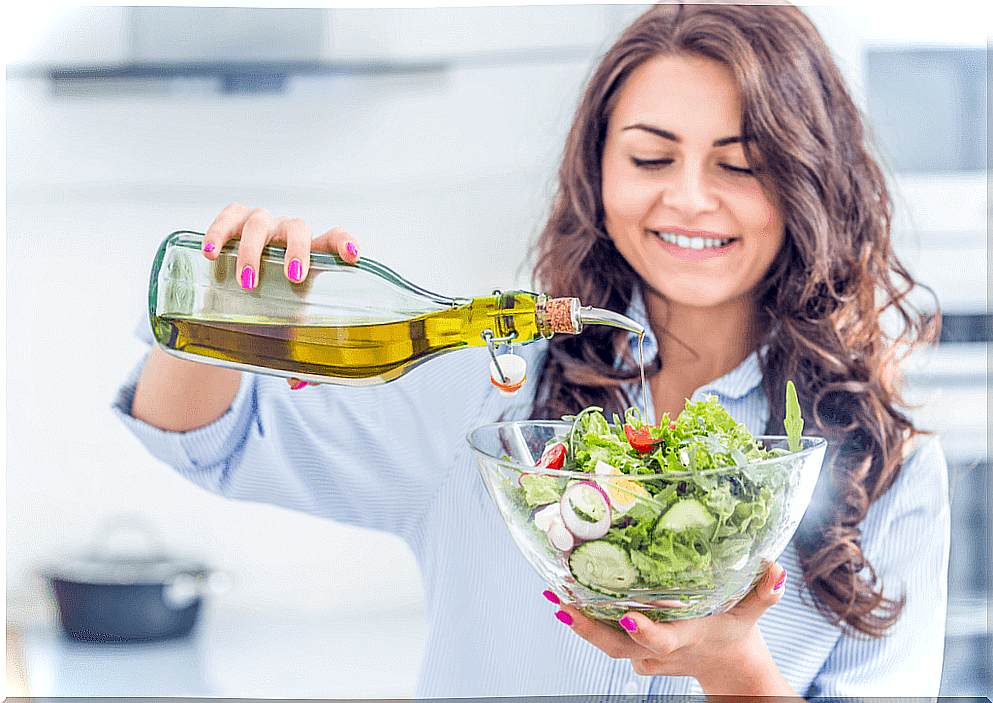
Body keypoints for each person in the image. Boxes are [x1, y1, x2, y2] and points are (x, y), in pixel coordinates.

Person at [114, 1, 950, 697]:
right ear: (599, 173)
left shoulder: (888, 465)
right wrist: (223, 308)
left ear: (809, 183)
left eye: (740, 166)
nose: (688, 198)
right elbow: (205, 438)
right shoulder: (491, 389)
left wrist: (729, 666)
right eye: (650, 156)